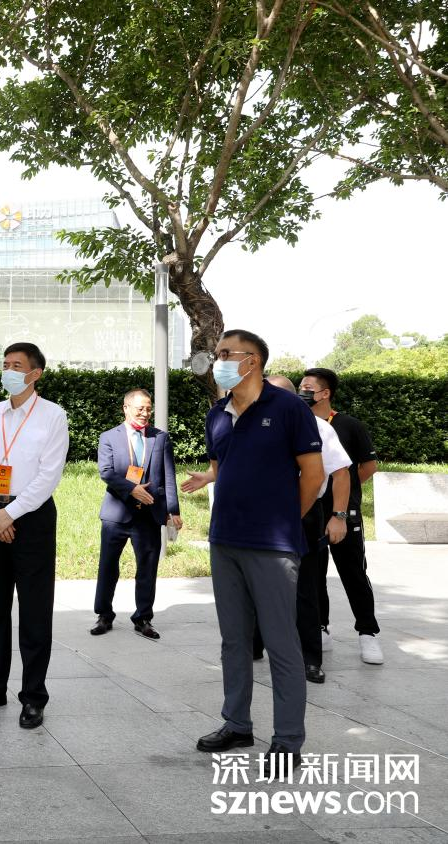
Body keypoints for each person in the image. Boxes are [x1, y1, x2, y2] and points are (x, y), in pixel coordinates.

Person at [188, 330, 323, 778]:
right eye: (217, 354)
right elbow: (221, 466)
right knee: (234, 640)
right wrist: (208, 479)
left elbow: (313, 473)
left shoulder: (288, 408)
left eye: (227, 354)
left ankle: (287, 739)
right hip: (225, 540)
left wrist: (285, 518)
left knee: (281, 643)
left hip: (272, 545)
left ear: (254, 361)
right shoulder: (217, 414)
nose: (219, 361)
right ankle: (237, 724)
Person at [0, 342, 68, 731]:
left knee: (35, 612)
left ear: (36, 373)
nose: (8, 371)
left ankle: (33, 697)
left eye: (17, 365)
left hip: (32, 520)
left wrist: (11, 513)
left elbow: (49, 474)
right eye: (5, 364)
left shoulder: (53, 415)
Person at [251, 375, 352, 684]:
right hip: (261, 513)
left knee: (305, 587)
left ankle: (310, 659)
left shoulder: (319, 428)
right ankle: (253, 644)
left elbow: (341, 474)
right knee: (257, 580)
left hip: (305, 512)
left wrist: (338, 516)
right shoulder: (254, 425)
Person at [302, 367, 383, 665]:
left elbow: (368, 466)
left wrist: (344, 493)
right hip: (312, 513)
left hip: (344, 513)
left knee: (353, 572)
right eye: (300, 387)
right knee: (314, 575)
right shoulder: (298, 424)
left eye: (308, 388)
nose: (302, 393)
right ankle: (321, 627)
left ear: (325, 393)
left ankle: (368, 632)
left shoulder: (349, 425)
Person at [90, 388, 182, 640]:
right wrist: (132, 489)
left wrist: (173, 510)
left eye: (148, 408)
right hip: (117, 514)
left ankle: (143, 618)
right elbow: (106, 471)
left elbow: (169, 476)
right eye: (140, 408)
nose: (145, 413)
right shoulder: (109, 437)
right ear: (126, 408)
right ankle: (104, 615)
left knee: (147, 568)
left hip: (149, 515)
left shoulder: (160, 438)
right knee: (108, 567)